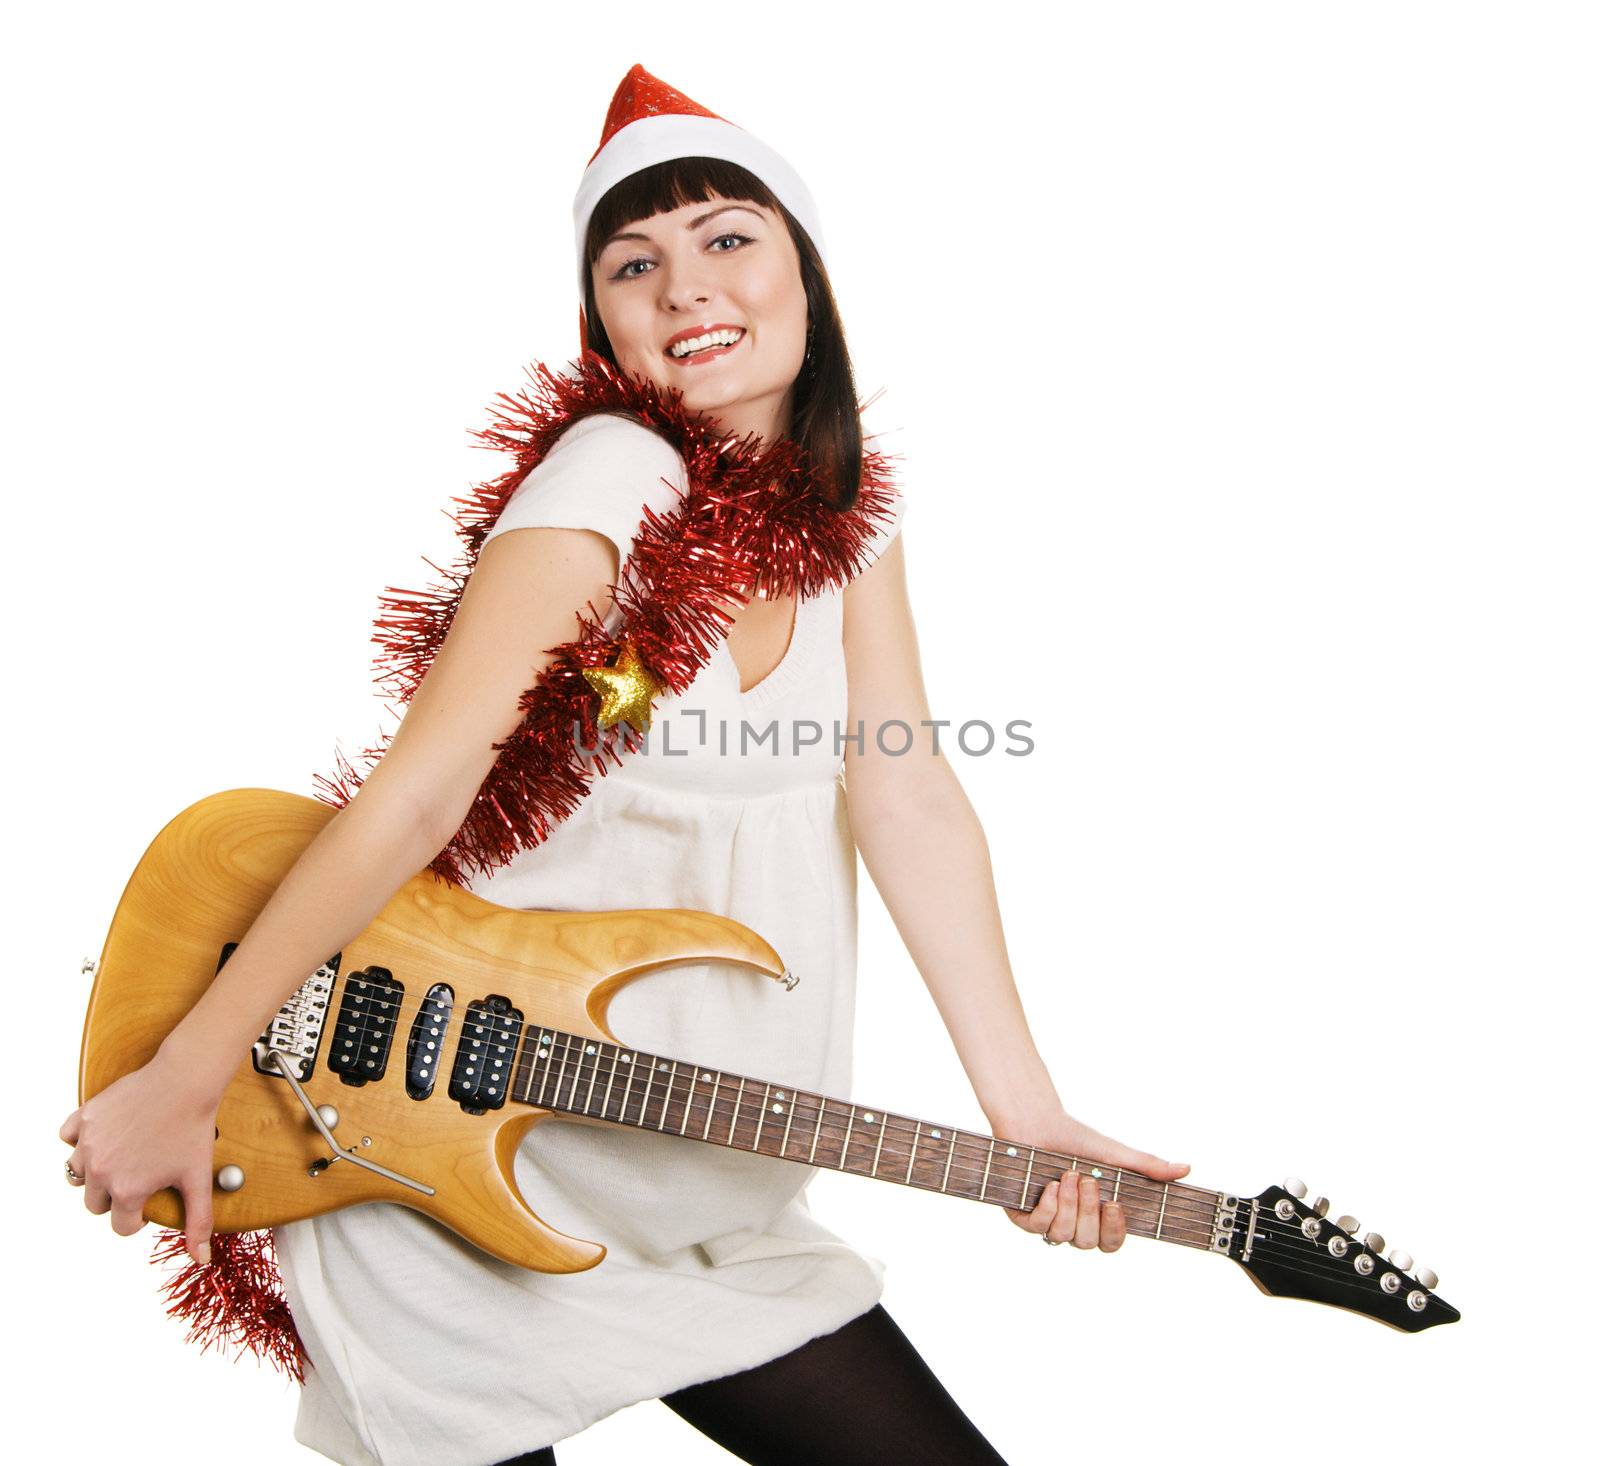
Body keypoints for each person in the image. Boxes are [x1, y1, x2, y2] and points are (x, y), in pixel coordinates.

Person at [58, 65, 1190, 1465]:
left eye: (727, 238)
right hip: (443, 1135)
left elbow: (904, 792)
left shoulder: (847, 513)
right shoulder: (610, 478)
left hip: (697, 1179)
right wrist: (191, 1065)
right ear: (598, 322)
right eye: (632, 262)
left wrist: (1027, 1112)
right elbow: (415, 794)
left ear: (809, 275)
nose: (685, 289)